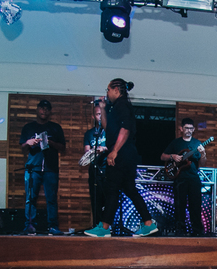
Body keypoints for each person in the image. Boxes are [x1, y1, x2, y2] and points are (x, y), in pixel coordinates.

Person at [85, 79, 158, 237]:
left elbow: (126, 128)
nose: (106, 93)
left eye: (108, 90)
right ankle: (148, 223)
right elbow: (108, 128)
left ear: (116, 90)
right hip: (126, 154)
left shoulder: (122, 105)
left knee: (112, 189)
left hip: (122, 153)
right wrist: (103, 108)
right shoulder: (114, 107)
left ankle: (104, 228)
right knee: (129, 189)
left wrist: (114, 151)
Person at [20, 99, 66, 235]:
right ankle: (29, 226)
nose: (44, 111)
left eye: (46, 109)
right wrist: (29, 143)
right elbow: (23, 148)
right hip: (32, 168)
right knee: (30, 199)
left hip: (50, 169)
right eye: (41, 108)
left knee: (51, 199)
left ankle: (53, 227)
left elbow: (63, 148)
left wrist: (50, 142)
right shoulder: (28, 127)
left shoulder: (55, 128)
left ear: (50, 111)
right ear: (37, 109)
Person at [161, 118, 207, 235]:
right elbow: (162, 156)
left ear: (194, 129)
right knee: (179, 205)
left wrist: (203, 154)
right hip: (180, 178)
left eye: (191, 128)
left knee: (195, 205)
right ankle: (180, 230)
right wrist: (172, 156)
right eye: (186, 128)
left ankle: (197, 231)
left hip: (193, 178)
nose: (189, 130)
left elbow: (202, 163)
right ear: (181, 129)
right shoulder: (176, 143)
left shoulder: (197, 144)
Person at [83, 99, 109, 228]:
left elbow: (114, 148)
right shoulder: (89, 133)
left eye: (102, 114)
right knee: (96, 200)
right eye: (98, 114)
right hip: (94, 170)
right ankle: (97, 226)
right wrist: (94, 151)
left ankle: (107, 226)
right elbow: (86, 152)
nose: (100, 117)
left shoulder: (109, 131)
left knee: (108, 199)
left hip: (107, 170)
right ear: (94, 116)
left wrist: (104, 149)